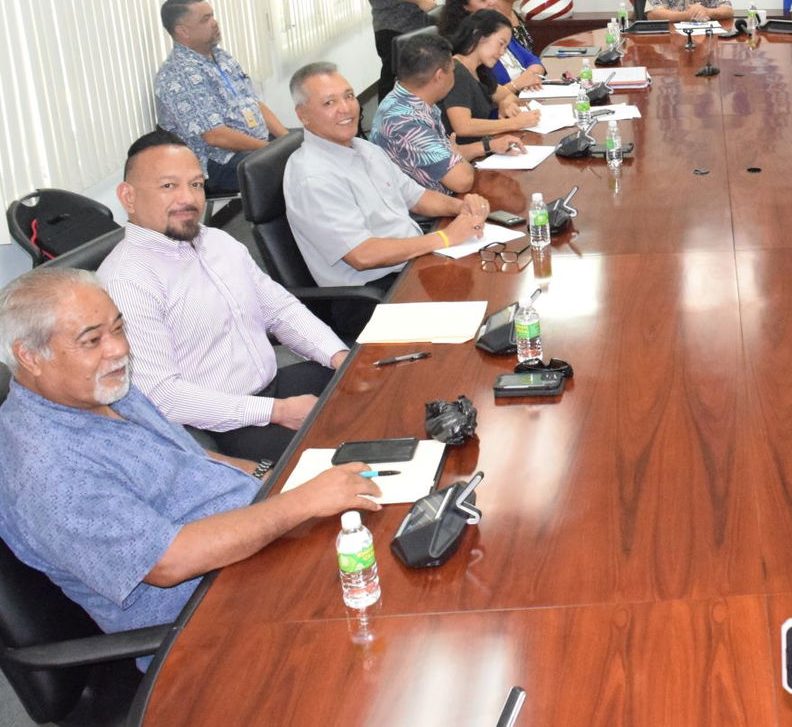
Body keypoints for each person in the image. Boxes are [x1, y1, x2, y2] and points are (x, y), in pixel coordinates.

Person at [0, 268, 379, 642]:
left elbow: (183, 456)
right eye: (92, 340)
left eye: (118, 329)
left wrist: (270, 474)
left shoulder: (101, 389)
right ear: (31, 357)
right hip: (210, 614)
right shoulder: (49, 470)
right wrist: (303, 501)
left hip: (255, 541)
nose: (119, 349)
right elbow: (168, 562)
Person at [99, 132, 348, 461]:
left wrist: (339, 356)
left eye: (196, 184)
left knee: (375, 385)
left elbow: (280, 309)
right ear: (128, 197)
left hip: (274, 388)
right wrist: (277, 411)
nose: (188, 199)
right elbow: (162, 395)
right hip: (223, 428)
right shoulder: (127, 280)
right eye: (168, 186)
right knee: (349, 452)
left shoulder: (217, 241)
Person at [283, 62, 491, 292]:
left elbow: (416, 197)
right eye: (329, 102)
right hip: (376, 291)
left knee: (490, 272)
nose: (346, 108)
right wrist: (444, 238)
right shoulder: (313, 177)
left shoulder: (364, 148)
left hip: (413, 260)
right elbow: (362, 255)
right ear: (303, 115)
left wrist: (462, 207)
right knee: (478, 293)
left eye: (349, 96)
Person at [153, 0, 287, 193]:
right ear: (183, 31)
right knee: (293, 170)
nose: (215, 23)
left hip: (255, 145)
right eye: (205, 19)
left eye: (212, 15)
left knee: (314, 144)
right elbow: (215, 136)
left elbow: (252, 102)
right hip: (218, 161)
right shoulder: (179, 75)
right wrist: (272, 150)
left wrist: (286, 139)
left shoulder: (219, 55)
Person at [371, 32, 524, 193]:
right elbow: (462, 181)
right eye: (452, 70)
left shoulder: (407, 98)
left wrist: (488, 146)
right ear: (439, 76)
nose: (454, 76)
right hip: (430, 215)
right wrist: (456, 154)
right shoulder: (407, 122)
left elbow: (446, 156)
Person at [441, 13, 540, 148]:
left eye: (505, 47)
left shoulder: (479, 70)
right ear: (478, 35)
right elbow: (463, 127)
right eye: (501, 44)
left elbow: (509, 96)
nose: (503, 52)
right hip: (461, 156)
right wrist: (516, 123)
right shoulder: (457, 71)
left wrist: (505, 103)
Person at [437, 0, 543, 92]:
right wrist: (518, 84)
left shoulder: (499, 28)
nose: (492, 2)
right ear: (465, 7)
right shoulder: (466, 49)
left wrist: (529, 78)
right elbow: (484, 98)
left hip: (526, 94)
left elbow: (534, 61)